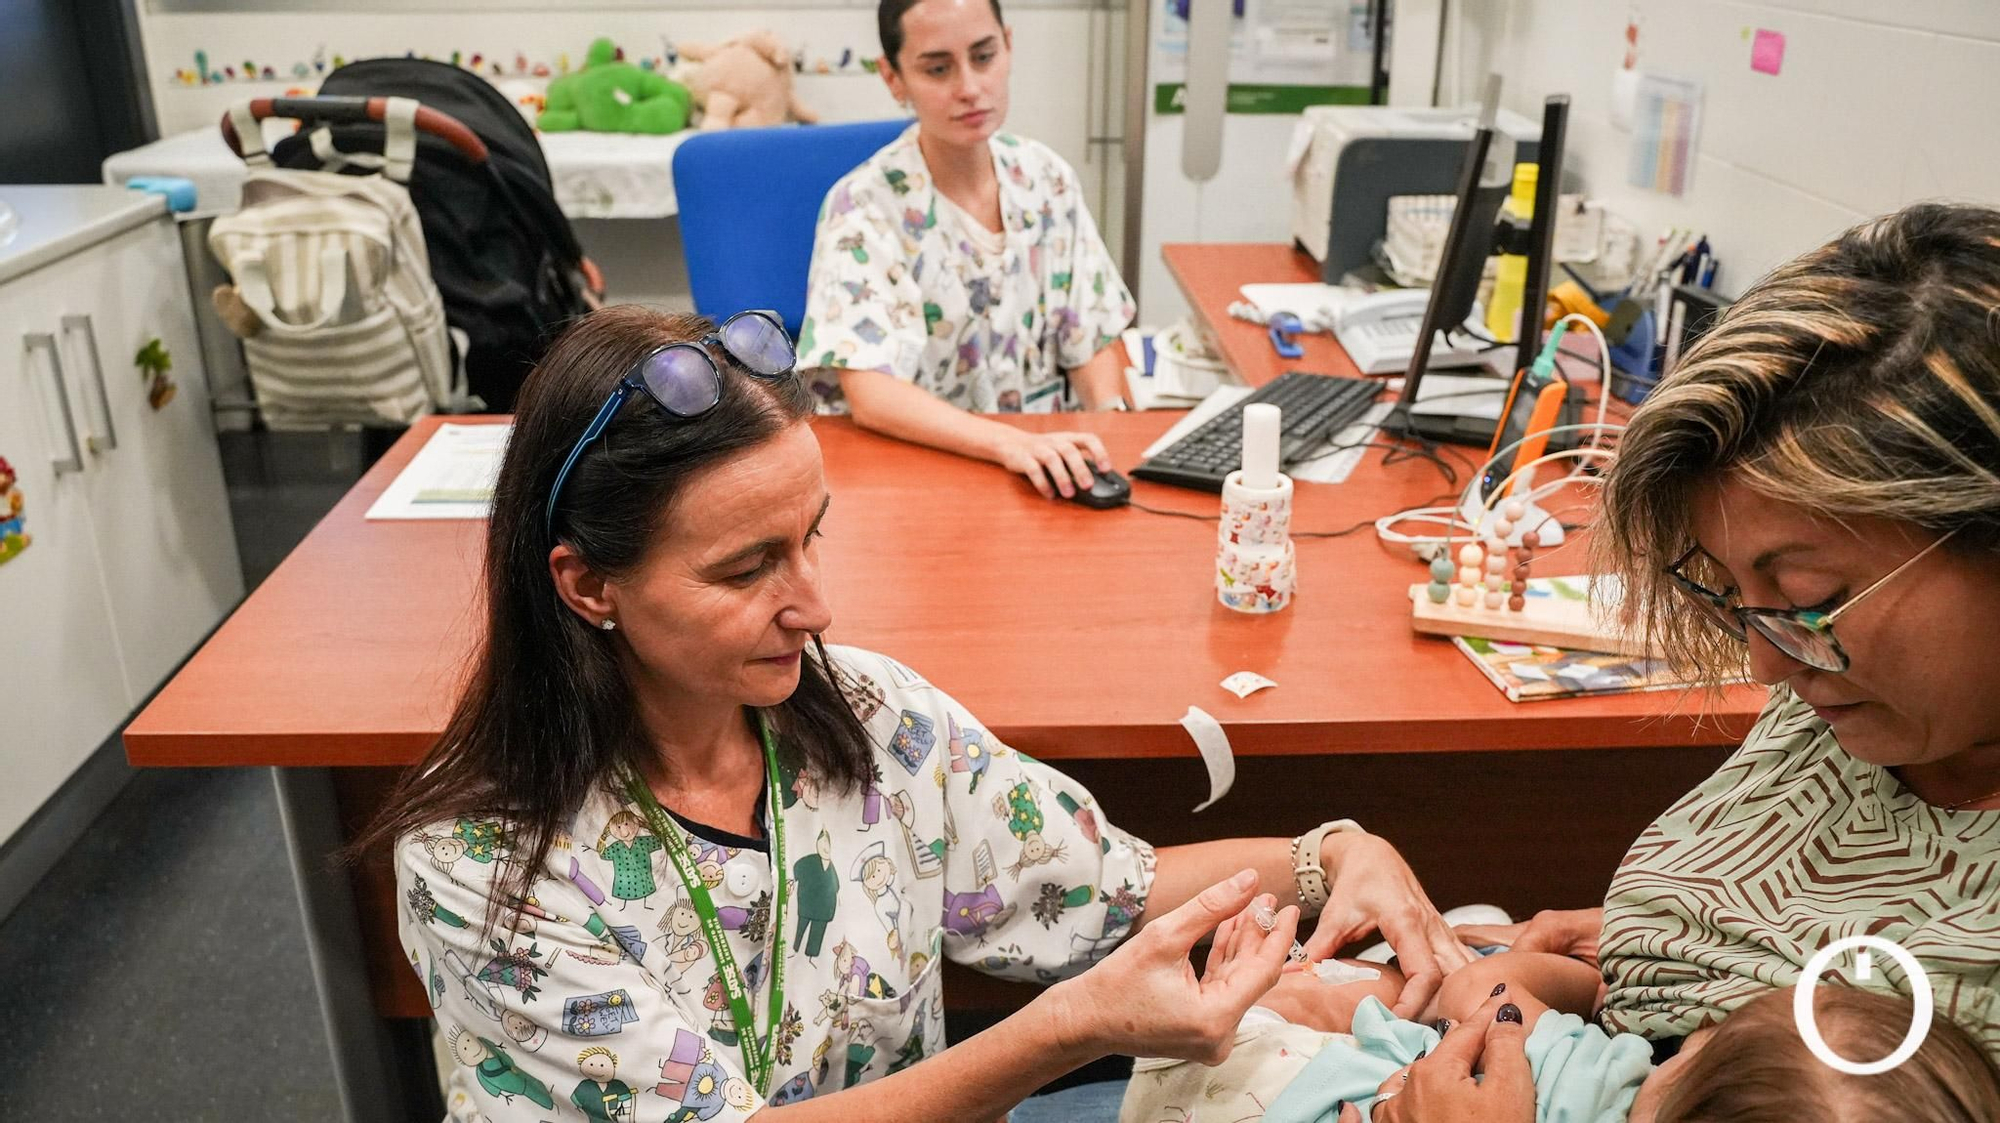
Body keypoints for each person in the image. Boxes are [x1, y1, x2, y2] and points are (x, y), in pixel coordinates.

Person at [363, 306, 1469, 1121]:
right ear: (586, 585)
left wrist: (1324, 853)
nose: (813, 606)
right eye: (748, 567)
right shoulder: (484, 862)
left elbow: (1101, 887)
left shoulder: (859, 716)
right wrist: (1065, 1029)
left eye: (811, 537)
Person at [1388, 201, 2000, 1116]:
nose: (1763, 663)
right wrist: (1655, 946)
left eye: (1805, 599)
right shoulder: (1879, 707)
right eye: (1725, 587)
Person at [798, 0, 1137, 500]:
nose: (971, 88)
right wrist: (1012, 443)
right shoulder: (864, 207)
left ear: (1009, 46)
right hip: (914, 475)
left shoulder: (1046, 178)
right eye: (938, 69)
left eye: (984, 56)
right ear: (893, 78)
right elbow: (873, 395)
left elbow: (1089, 336)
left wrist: (1110, 428)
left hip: (1042, 472)